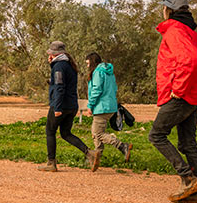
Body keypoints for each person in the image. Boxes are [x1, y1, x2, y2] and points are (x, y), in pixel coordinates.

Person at [148, 0, 197, 203]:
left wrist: (180, 88)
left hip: (180, 95)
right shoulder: (193, 34)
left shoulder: (175, 30)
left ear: (169, 10)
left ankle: (187, 179)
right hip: (192, 96)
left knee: (157, 135)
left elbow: (191, 61)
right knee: (187, 142)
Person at [38, 41, 100, 172]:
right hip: (72, 105)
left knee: (50, 131)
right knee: (65, 133)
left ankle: (51, 163)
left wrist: (57, 108)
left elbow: (60, 87)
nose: (49, 55)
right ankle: (90, 153)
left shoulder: (59, 66)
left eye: (50, 53)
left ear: (55, 54)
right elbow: (61, 82)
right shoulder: (69, 65)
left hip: (61, 105)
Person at [85, 53, 132, 169]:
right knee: (96, 131)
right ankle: (97, 155)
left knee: (98, 133)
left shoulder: (97, 72)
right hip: (111, 106)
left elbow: (96, 89)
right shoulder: (109, 73)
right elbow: (115, 88)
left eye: (87, 63)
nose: (87, 66)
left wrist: (90, 105)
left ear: (92, 61)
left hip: (101, 107)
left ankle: (122, 146)